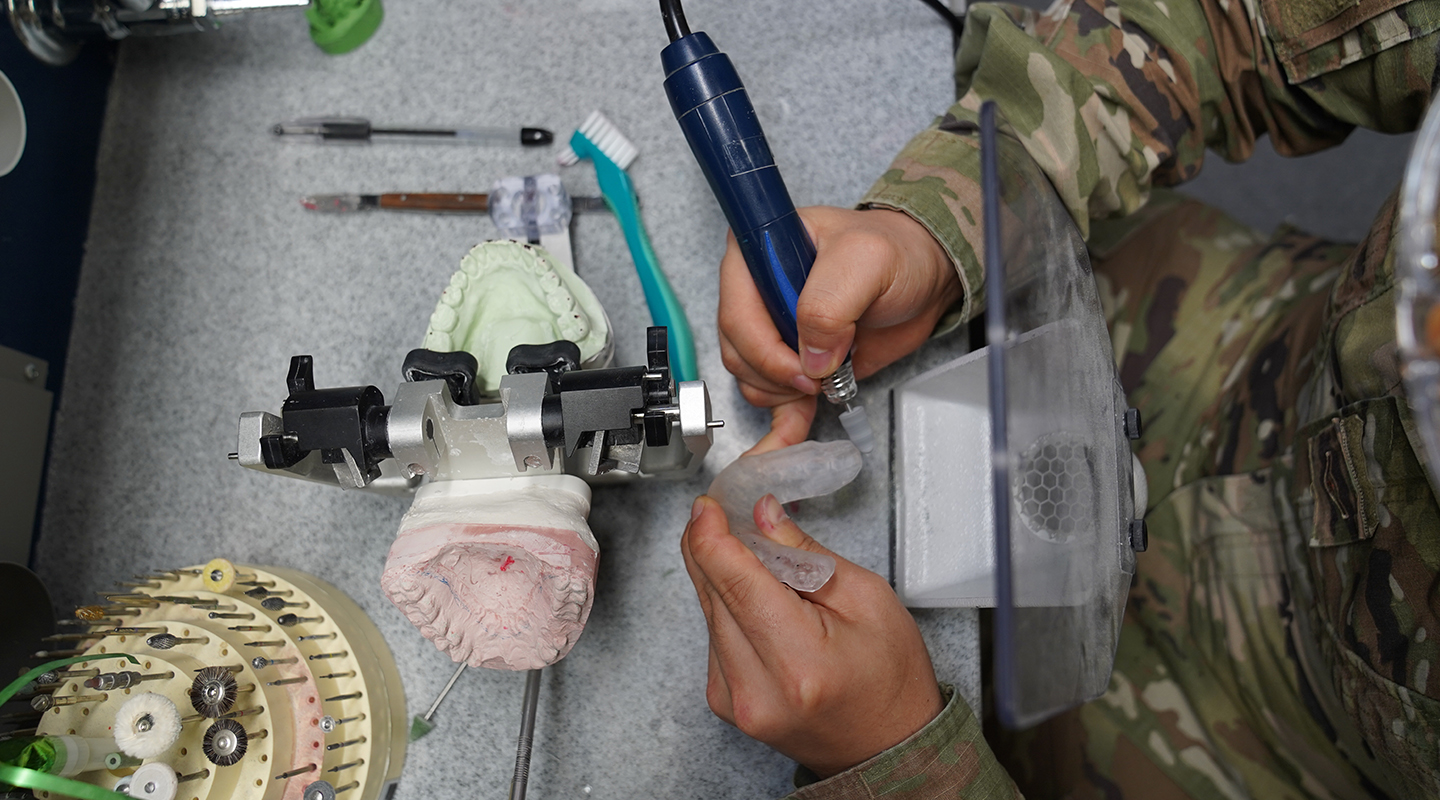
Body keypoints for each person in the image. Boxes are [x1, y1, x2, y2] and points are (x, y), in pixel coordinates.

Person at [678, 0, 1440, 796]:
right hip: (1182, 335)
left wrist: (900, 763)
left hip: (1241, 739)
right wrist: (939, 229)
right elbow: (1229, 24)